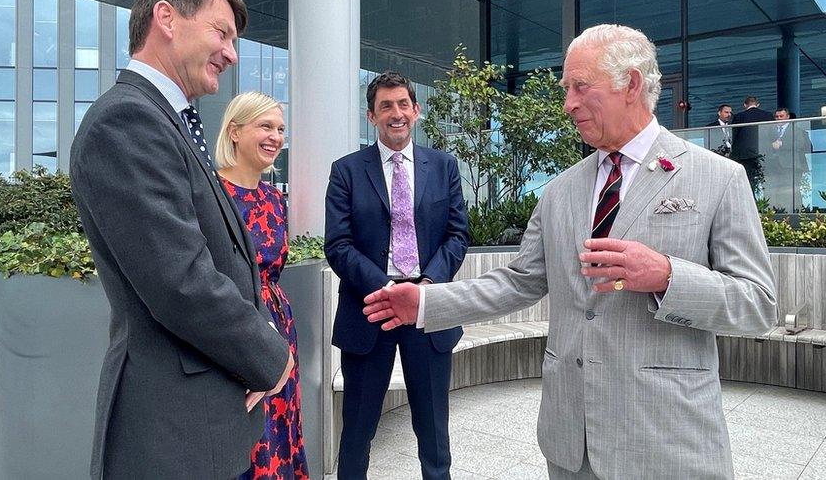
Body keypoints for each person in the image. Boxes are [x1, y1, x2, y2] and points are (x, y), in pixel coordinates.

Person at [362, 24, 777, 479]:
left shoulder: (718, 178)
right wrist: (425, 302)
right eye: (567, 90)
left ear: (631, 84)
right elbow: (521, 280)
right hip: (570, 443)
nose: (568, 104)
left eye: (580, 87)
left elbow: (757, 304)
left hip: (667, 441)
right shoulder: (560, 191)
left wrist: (666, 276)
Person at [70, 0, 292, 479]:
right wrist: (270, 354)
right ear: (166, 19)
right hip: (169, 430)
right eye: (222, 33)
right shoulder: (127, 120)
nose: (232, 53)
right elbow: (180, 279)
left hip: (198, 420)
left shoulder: (166, 120)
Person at [324, 71, 470, 479]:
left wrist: (427, 285)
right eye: (385, 106)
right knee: (358, 430)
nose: (396, 113)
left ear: (416, 110)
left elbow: (458, 235)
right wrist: (385, 288)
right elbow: (337, 245)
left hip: (428, 308)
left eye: (403, 104)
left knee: (434, 432)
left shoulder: (443, 166)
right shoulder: (347, 171)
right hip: (370, 307)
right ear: (371, 116)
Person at [215, 92, 309, 480]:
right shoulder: (212, 193)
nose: (275, 137)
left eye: (280, 129)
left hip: (280, 326)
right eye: (265, 126)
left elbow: (276, 269)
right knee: (246, 436)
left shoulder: (275, 198)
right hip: (236, 326)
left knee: (279, 430)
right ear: (234, 131)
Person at [764, 107, 811, 213]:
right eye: (777, 117)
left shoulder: (796, 129)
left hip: (792, 165)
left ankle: (796, 212)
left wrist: (782, 144)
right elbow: (764, 145)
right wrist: (771, 145)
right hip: (774, 166)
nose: (779, 119)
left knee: (792, 190)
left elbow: (801, 144)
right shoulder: (770, 130)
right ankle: (779, 212)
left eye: (781, 116)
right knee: (777, 191)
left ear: (788, 117)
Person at [730, 96, 775, 193]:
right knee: (767, 181)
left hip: (745, 155)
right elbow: (773, 134)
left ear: (745, 105)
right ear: (757, 104)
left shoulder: (739, 116)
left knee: (748, 182)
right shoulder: (768, 115)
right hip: (764, 153)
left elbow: (735, 136)